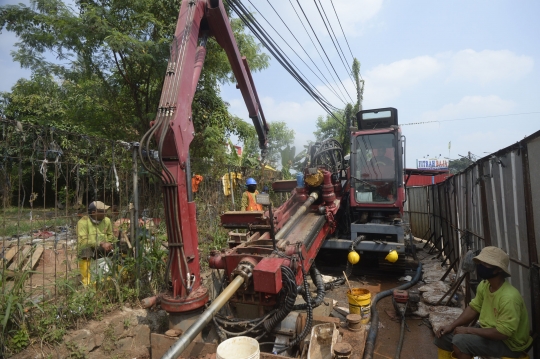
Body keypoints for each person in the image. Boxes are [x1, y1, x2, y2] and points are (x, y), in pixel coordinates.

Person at [434, 246, 532, 359]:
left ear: (498, 269)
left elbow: (503, 333)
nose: (481, 266)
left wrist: (468, 330)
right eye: (480, 263)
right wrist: (451, 326)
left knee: (460, 342)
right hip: (488, 332)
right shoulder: (485, 285)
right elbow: (473, 308)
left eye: (486, 264)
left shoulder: (509, 297)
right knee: (442, 337)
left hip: (509, 344)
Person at [77, 201, 115, 285]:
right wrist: (100, 243)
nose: (105, 213)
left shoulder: (107, 220)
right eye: (103, 211)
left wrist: (109, 243)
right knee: (84, 250)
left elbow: (110, 235)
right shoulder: (83, 222)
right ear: (94, 212)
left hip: (103, 248)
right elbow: (83, 241)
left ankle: (108, 278)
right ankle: (88, 282)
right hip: (90, 248)